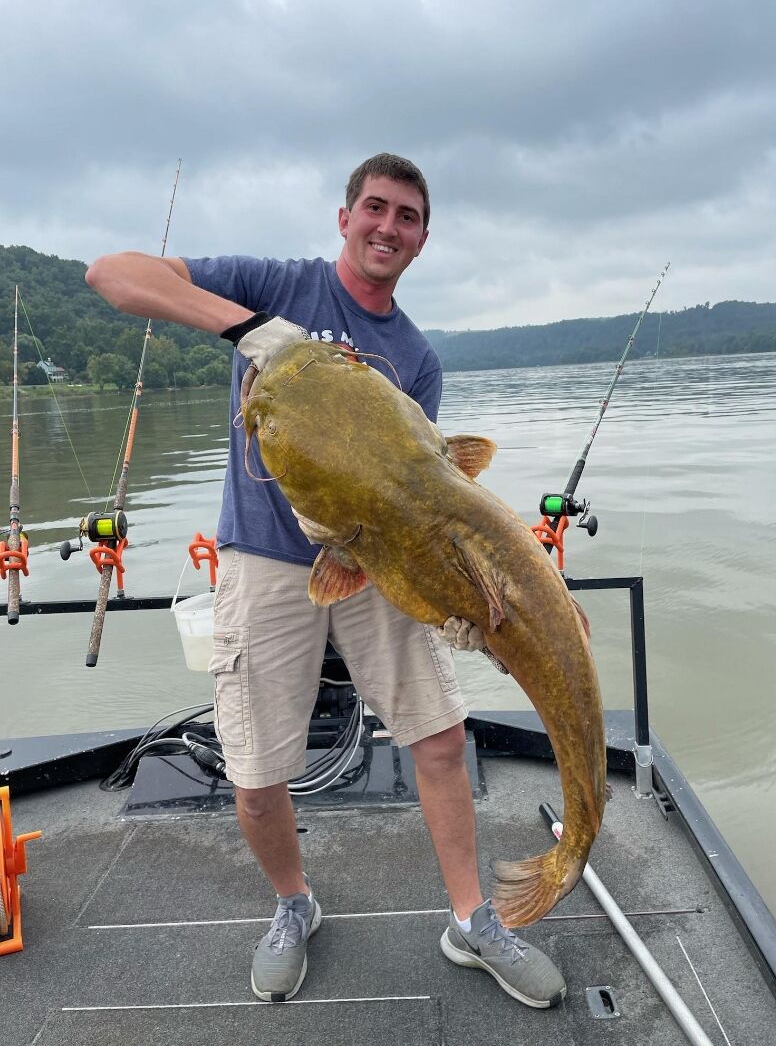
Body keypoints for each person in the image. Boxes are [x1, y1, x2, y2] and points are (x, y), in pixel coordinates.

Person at [86, 153, 565, 1009]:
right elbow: (112, 275)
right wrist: (252, 331)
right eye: (375, 208)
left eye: (407, 216)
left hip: (374, 560)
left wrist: (463, 602)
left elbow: (426, 502)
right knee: (255, 766)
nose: (388, 226)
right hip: (265, 560)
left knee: (442, 737)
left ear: (422, 238)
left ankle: (474, 921)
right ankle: (292, 905)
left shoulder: (414, 358)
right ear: (344, 217)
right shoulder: (276, 285)